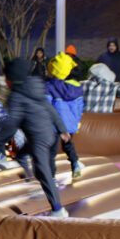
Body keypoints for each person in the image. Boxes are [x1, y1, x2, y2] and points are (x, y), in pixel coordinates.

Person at [0, 58, 71, 218]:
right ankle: (31, 177)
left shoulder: (16, 96)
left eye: (6, 79)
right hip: (50, 134)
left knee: (43, 172)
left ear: (12, 80)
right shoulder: (34, 89)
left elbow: (12, 122)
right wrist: (62, 129)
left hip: (39, 138)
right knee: (23, 155)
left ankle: (57, 209)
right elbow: (50, 109)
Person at [45, 52, 85, 180]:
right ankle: (75, 164)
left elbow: (46, 106)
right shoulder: (76, 87)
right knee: (68, 144)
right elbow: (79, 108)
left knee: (51, 152)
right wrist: (76, 121)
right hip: (70, 124)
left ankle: (51, 177)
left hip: (54, 124)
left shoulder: (48, 86)